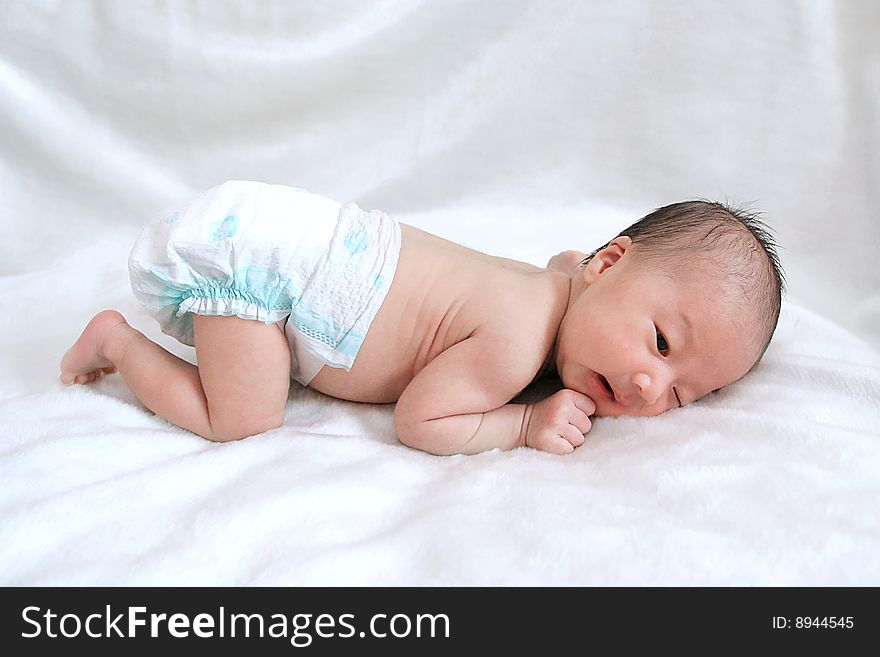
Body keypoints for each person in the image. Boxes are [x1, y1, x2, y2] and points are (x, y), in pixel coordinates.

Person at [59, 181, 784, 455]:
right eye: (661, 342)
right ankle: (116, 343)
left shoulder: (555, 281)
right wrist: (523, 425)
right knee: (242, 418)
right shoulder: (513, 341)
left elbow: (561, 262)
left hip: (290, 229)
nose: (651, 384)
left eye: (683, 392)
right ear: (607, 261)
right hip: (264, 268)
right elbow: (421, 419)